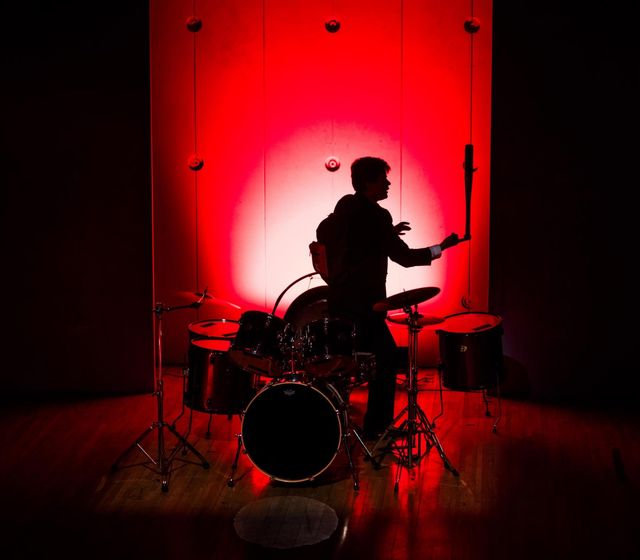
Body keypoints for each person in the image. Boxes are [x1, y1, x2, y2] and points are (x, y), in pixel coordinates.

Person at [315, 156, 460, 439]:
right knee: (386, 358)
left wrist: (384, 235)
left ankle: (330, 425)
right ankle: (377, 428)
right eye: (384, 179)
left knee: (339, 363)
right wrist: (440, 248)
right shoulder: (378, 217)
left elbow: (335, 235)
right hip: (365, 307)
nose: (389, 183)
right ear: (369, 182)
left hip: (338, 302)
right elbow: (404, 257)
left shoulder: (345, 206)